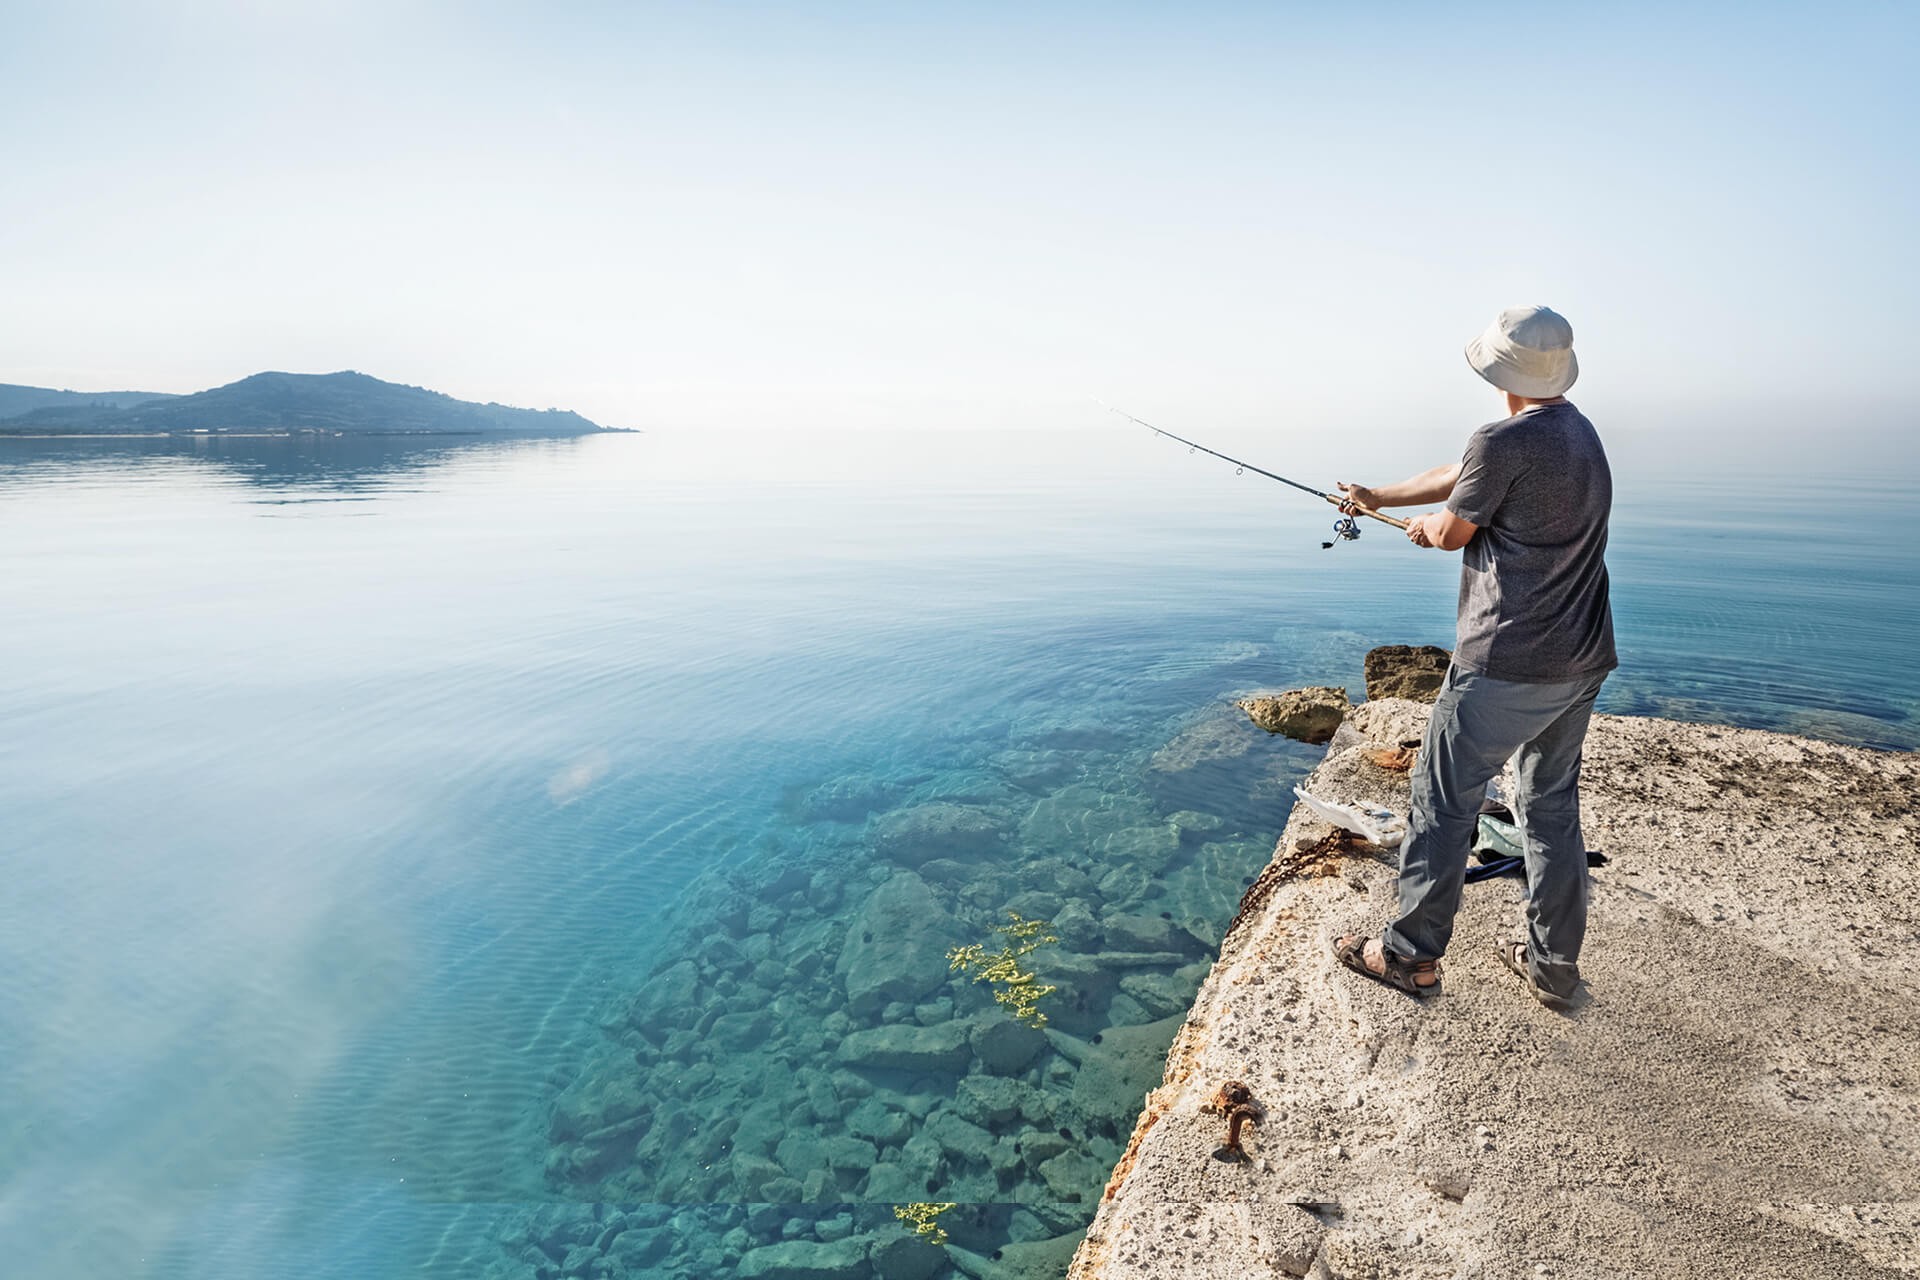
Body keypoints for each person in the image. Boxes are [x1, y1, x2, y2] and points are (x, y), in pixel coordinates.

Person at [1331, 305, 1616, 1011]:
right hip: (1581, 657)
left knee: (1442, 805)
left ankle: (1409, 958)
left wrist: (1426, 529)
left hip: (1506, 663)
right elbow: (1459, 474)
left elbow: (1454, 528)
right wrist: (1374, 497)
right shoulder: (1577, 434)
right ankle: (1553, 969)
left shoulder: (1502, 438)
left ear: (1498, 371)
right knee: (1550, 812)